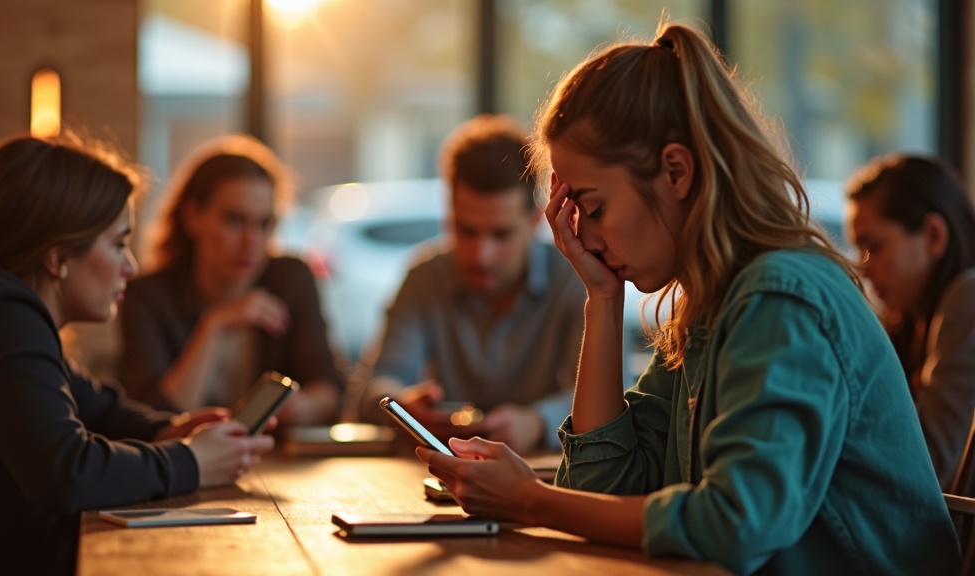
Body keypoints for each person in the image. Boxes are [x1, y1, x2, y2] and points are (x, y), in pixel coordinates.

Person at [416, 22, 961, 575]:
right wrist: (602, 299)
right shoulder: (710, 307)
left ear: (676, 171)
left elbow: (736, 525)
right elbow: (603, 486)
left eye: (595, 208)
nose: (586, 237)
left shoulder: (779, 297)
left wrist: (532, 501)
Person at [0, 133, 275, 575]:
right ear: (58, 257)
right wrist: (193, 461)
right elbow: (67, 472)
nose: (131, 266)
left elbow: (97, 407)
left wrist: (170, 429)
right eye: (119, 243)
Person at [355, 114, 586, 454]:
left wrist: (537, 422)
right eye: (466, 231)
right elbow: (376, 384)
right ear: (449, 215)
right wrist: (404, 406)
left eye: (501, 234)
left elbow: (612, 397)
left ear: (536, 220)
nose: (482, 255)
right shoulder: (425, 278)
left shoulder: (573, 279)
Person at [119, 135, 344, 426]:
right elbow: (158, 417)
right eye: (234, 220)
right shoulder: (148, 296)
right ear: (192, 217)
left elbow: (329, 386)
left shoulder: (290, 279)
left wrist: (305, 407)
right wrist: (215, 324)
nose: (251, 241)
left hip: (272, 452)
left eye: (263, 224)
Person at [845, 153, 975, 490]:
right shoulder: (908, 323)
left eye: (873, 247)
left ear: (934, 235)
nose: (863, 268)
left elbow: (930, 465)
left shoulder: (968, 296)